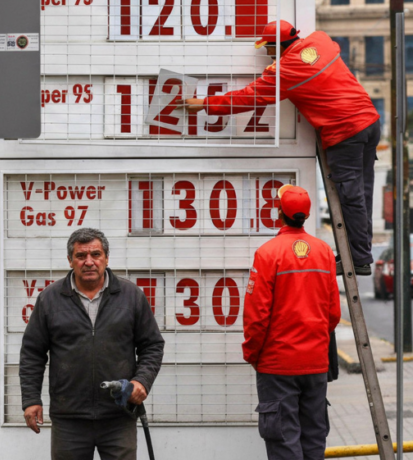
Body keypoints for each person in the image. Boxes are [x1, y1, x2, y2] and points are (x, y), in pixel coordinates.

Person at [184, 20, 380, 276]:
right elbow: (325, 52)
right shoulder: (321, 40)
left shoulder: (285, 72)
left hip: (345, 133)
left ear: (277, 46)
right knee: (362, 194)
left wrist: (204, 104)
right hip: (369, 122)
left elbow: (247, 97)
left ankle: (358, 260)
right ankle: (360, 255)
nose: (267, 54)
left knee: (350, 198)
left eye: (268, 48)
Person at [19, 228, 165, 460]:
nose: (89, 262)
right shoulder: (49, 299)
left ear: (106, 258)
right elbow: (32, 353)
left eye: (96, 254)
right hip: (69, 420)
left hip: (119, 417)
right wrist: (31, 400)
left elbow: (152, 345)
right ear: (70, 260)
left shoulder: (131, 296)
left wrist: (141, 381)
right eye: (81, 256)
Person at [243, 185, 341, 460]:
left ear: (279, 213)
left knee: (284, 443)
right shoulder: (324, 252)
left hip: (277, 365)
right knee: (313, 441)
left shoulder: (267, 254)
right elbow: (333, 312)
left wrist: (253, 354)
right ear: (306, 215)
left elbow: (256, 315)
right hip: (315, 364)